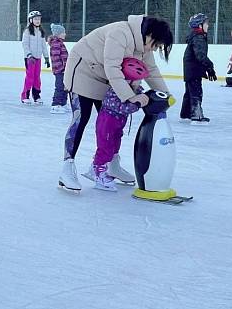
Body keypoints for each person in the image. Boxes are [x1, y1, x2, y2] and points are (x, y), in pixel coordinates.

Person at [58, 15, 174, 193]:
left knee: (112, 125)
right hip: (83, 71)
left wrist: (165, 94)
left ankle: (112, 164)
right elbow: (112, 67)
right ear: (150, 35)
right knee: (81, 119)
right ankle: (67, 167)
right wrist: (130, 96)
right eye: (157, 45)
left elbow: (150, 70)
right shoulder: (120, 33)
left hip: (105, 79)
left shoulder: (143, 46)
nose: (155, 49)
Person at [90, 58, 149, 192]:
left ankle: (111, 169)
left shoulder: (134, 88)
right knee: (105, 148)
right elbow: (122, 107)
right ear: (130, 79)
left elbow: (140, 94)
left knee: (115, 147)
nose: (141, 82)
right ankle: (98, 172)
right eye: (139, 79)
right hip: (107, 124)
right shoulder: (115, 91)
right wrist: (137, 104)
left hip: (118, 125)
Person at [181, 13, 216, 122]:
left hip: (190, 68)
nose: (208, 26)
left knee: (189, 92)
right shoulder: (198, 37)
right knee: (196, 92)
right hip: (193, 69)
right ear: (199, 25)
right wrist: (210, 67)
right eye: (206, 23)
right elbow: (200, 55)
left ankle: (186, 113)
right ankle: (196, 114)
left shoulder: (196, 36)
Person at [21, 10, 50, 105]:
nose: (38, 21)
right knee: (30, 77)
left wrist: (46, 57)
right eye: (36, 19)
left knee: (37, 77)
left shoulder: (41, 31)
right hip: (30, 58)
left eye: (39, 19)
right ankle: (25, 96)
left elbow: (43, 45)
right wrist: (29, 55)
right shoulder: (28, 31)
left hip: (38, 58)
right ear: (31, 20)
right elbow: (25, 44)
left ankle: (36, 96)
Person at [48, 24, 69, 114]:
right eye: (63, 33)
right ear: (58, 34)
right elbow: (56, 58)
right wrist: (61, 68)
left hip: (63, 70)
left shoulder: (60, 42)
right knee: (60, 87)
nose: (65, 34)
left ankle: (63, 103)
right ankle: (55, 105)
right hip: (59, 70)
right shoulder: (56, 43)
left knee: (65, 87)